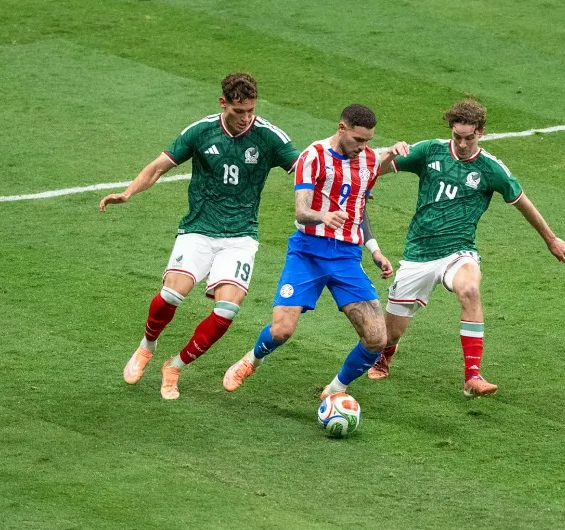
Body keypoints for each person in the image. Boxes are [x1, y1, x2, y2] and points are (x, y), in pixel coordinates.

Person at [99, 72, 300, 400]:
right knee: (170, 297)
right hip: (198, 230)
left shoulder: (269, 137)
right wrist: (128, 193)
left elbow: (308, 170)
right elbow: (158, 167)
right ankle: (146, 347)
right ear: (223, 103)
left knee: (226, 312)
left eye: (250, 110)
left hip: (240, 236)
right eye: (239, 112)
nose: (245, 118)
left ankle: (175, 366)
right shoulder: (201, 131)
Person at [367, 98, 565, 396]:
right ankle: (384, 358)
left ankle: (472, 376)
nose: (461, 144)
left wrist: (551, 239)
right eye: (457, 137)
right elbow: (375, 171)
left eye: (468, 138)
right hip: (418, 254)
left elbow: (522, 202)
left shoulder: (491, 169)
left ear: (481, 133)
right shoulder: (429, 150)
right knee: (390, 333)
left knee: (470, 289)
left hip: (459, 250)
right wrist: (386, 156)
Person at [222, 104, 409, 399]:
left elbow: (359, 208)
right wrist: (323, 216)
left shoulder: (370, 160)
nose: (363, 147)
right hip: (308, 253)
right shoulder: (314, 156)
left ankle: (334, 390)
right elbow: (301, 210)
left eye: (369, 141)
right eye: (358, 140)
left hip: (347, 257)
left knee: (377, 338)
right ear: (341, 128)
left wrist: (374, 249)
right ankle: (251, 360)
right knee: (282, 330)